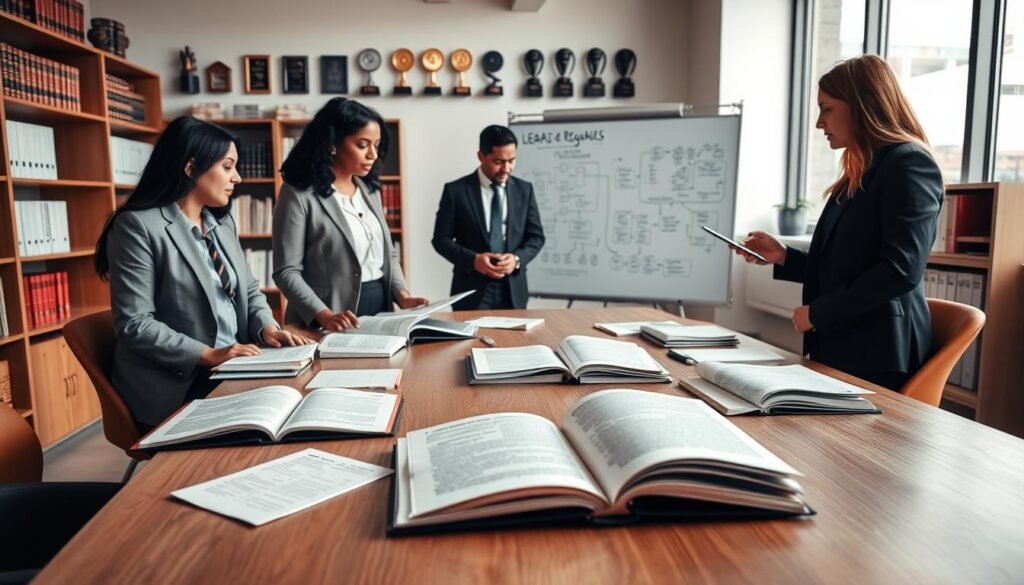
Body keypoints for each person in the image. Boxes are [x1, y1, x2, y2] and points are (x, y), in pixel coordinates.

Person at [735, 55, 943, 391]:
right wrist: (784, 256)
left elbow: (901, 270)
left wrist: (818, 313)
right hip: (846, 347)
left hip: (878, 357)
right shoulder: (859, 173)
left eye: (827, 108)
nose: (819, 123)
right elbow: (848, 265)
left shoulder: (909, 165)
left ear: (862, 105)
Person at [96, 116, 311, 429]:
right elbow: (134, 324)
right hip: (179, 381)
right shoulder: (138, 226)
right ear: (190, 168)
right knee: (274, 419)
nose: (237, 177)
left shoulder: (221, 224)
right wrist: (209, 354)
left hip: (232, 367)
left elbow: (249, 291)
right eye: (227, 166)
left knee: (301, 396)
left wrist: (266, 327)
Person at [274, 98, 427, 330]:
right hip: (328, 315)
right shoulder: (298, 193)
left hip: (381, 307)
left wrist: (403, 295)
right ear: (333, 143)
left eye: (377, 145)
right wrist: (325, 315)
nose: (373, 155)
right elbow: (286, 272)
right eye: (363, 145)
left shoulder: (370, 190)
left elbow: (389, 254)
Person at [432, 125, 545, 310]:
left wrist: (516, 259)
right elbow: (440, 240)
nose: (506, 168)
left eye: (512, 160)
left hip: (513, 290)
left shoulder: (525, 190)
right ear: (481, 156)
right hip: (470, 290)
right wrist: (473, 260)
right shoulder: (455, 191)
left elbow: (536, 237)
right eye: (499, 161)